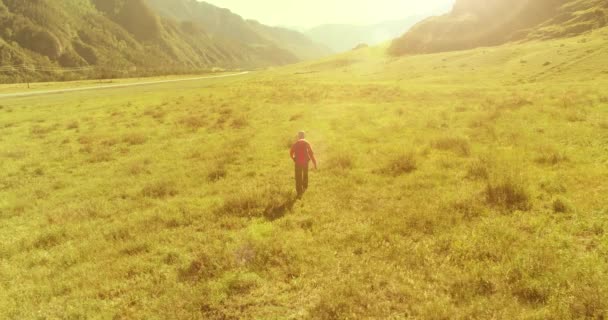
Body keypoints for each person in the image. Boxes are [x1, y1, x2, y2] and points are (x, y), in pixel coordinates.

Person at [290, 131, 317, 197]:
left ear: (298, 136)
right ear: (304, 136)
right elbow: (311, 154)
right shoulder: (306, 143)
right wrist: (314, 163)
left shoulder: (295, 144)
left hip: (298, 162)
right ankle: (305, 187)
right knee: (305, 173)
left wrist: (294, 159)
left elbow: (291, 153)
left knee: (298, 176)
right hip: (305, 162)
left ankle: (299, 191)